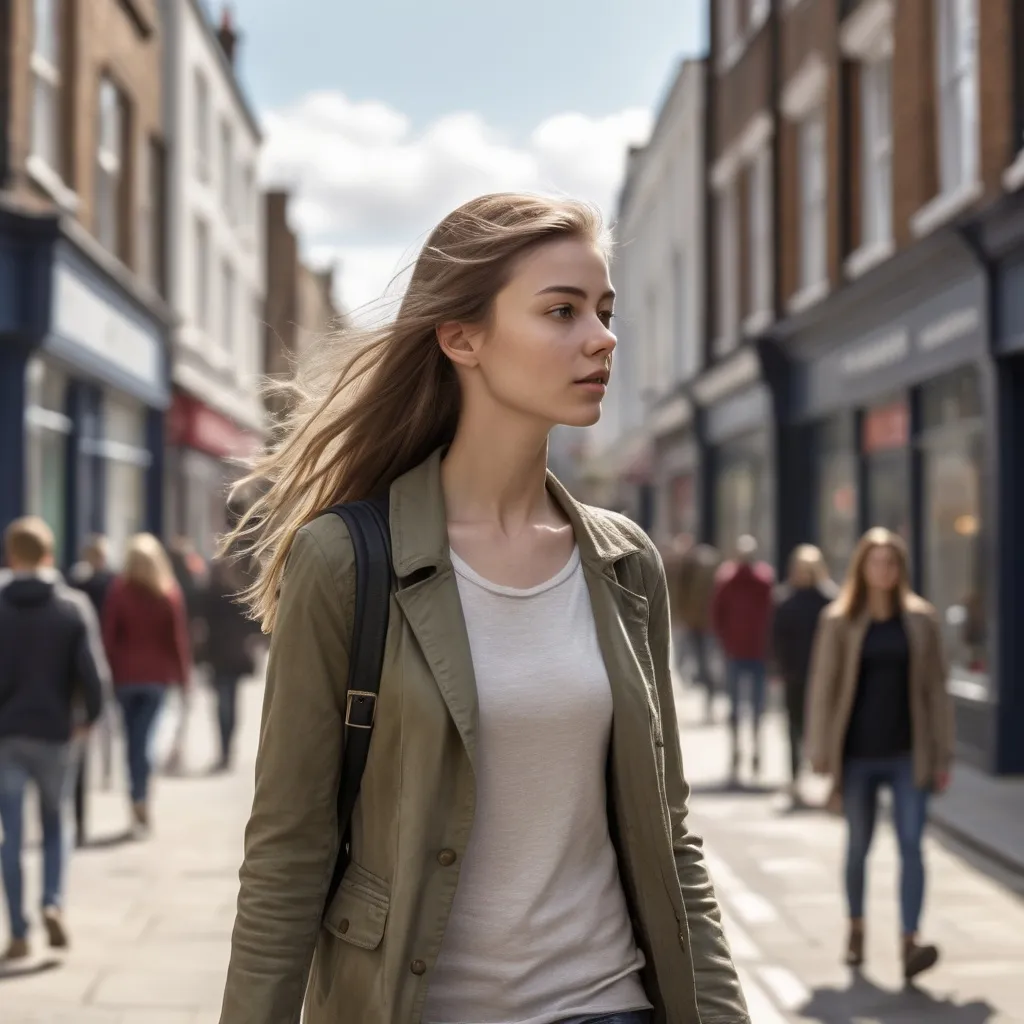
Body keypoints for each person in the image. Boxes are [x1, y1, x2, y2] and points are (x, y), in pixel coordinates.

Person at [217, 194, 750, 1024]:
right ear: (462, 337)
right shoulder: (348, 560)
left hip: (609, 1006)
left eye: (604, 312)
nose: (602, 338)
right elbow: (289, 853)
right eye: (561, 311)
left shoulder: (624, 562)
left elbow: (670, 836)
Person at [806, 527, 954, 982]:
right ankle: (856, 929)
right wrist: (820, 753)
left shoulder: (922, 619)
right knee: (858, 848)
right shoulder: (839, 619)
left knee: (912, 846)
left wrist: (943, 755)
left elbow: (936, 691)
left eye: (891, 562)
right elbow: (823, 689)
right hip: (857, 757)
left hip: (909, 752)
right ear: (862, 568)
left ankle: (910, 942)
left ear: (900, 569)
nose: (884, 569)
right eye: (876, 562)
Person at [0, 517, 107, 960]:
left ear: (10, 556)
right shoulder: (72, 606)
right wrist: (90, 718)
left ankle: (19, 932)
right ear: (48, 555)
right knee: (55, 823)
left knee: (11, 836)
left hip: (6, 735)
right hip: (56, 733)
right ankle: (52, 902)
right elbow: (93, 674)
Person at [102, 533, 192, 835]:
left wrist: (108, 673)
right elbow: (177, 640)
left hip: (126, 678)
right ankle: (141, 796)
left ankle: (136, 796)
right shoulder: (168, 593)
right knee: (145, 740)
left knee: (132, 741)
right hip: (156, 678)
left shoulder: (119, 591)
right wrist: (184, 678)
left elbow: (109, 637)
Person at [771, 545, 837, 808]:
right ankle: (795, 777)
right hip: (794, 675)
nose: (804, 575)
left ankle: (830, 779)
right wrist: (777, 669)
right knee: (794, 728)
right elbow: (776, 637)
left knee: (823, 727)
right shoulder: (785, 599)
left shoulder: (829, 599)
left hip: (822, 675)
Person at [711, 535, 774, 783]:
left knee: (755, 707)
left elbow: (771, 614)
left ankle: (755, 749)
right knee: (738, 707)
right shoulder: (727, 580)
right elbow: (717, 614)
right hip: (738, 652)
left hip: (755, 652)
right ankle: (738, 751)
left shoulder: (762, 580)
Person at [67, 534, 117, 846]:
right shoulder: (113, 584)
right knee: (102, 728)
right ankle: (108, 771)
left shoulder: (76, 586)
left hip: (80, 668)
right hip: (99, 662)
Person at [200, 555, 262, 772]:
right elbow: (253, 625)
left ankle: (225, 749)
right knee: (230, 703)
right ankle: (227, 748)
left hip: (220, 657)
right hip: (231, 657)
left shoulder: (209, 594)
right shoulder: (236, 595)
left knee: (223, 703)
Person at [673, 538, 722, 721]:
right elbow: (681, 592)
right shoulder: (688, 568)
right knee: (700, 663)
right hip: (694, 623)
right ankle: (707, 700)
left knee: (707, 664)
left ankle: (709, 701)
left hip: (706, 625)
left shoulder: (712, 573)